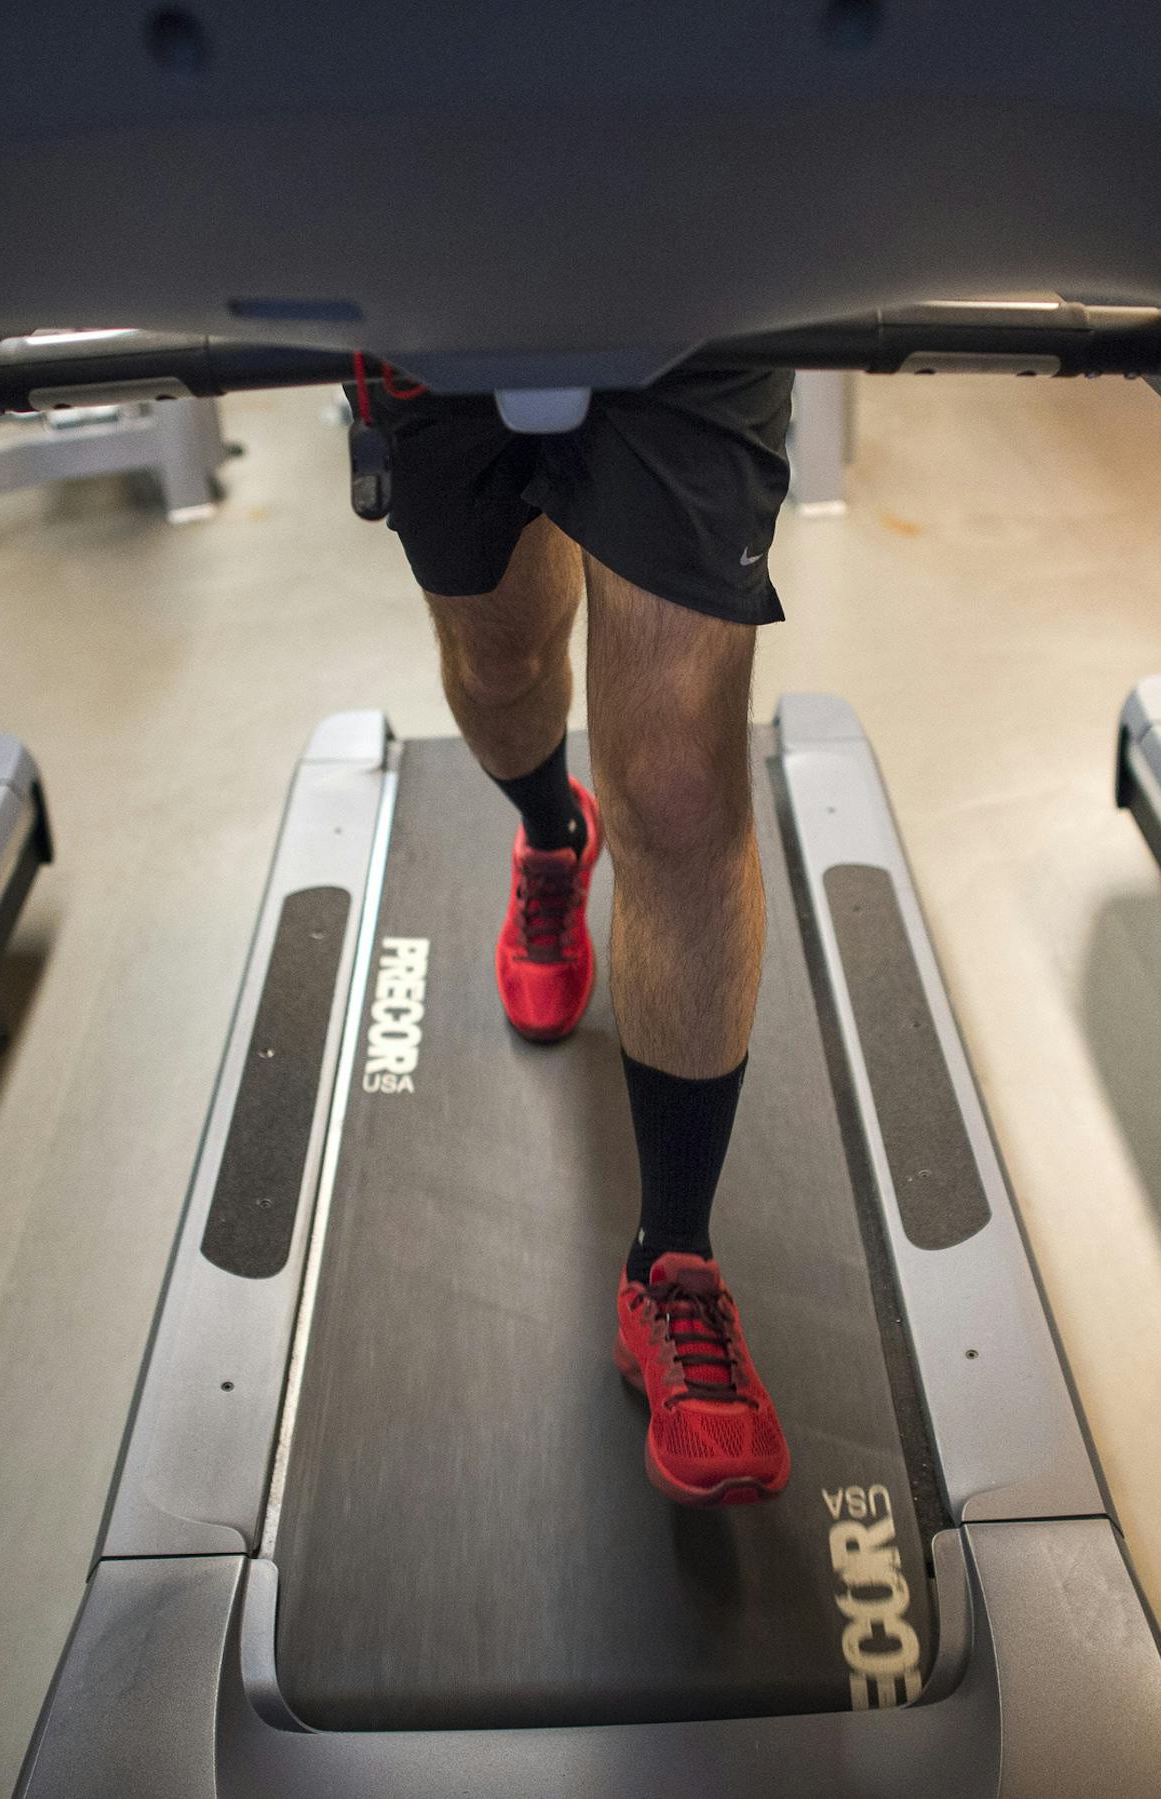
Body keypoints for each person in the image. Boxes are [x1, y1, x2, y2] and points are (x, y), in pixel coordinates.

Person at [352, 362, 795, 1507]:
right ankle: (555, 832)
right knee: (504, 666)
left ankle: (673, 1264)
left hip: (694, 275)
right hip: (436, 282)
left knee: (684, 779)